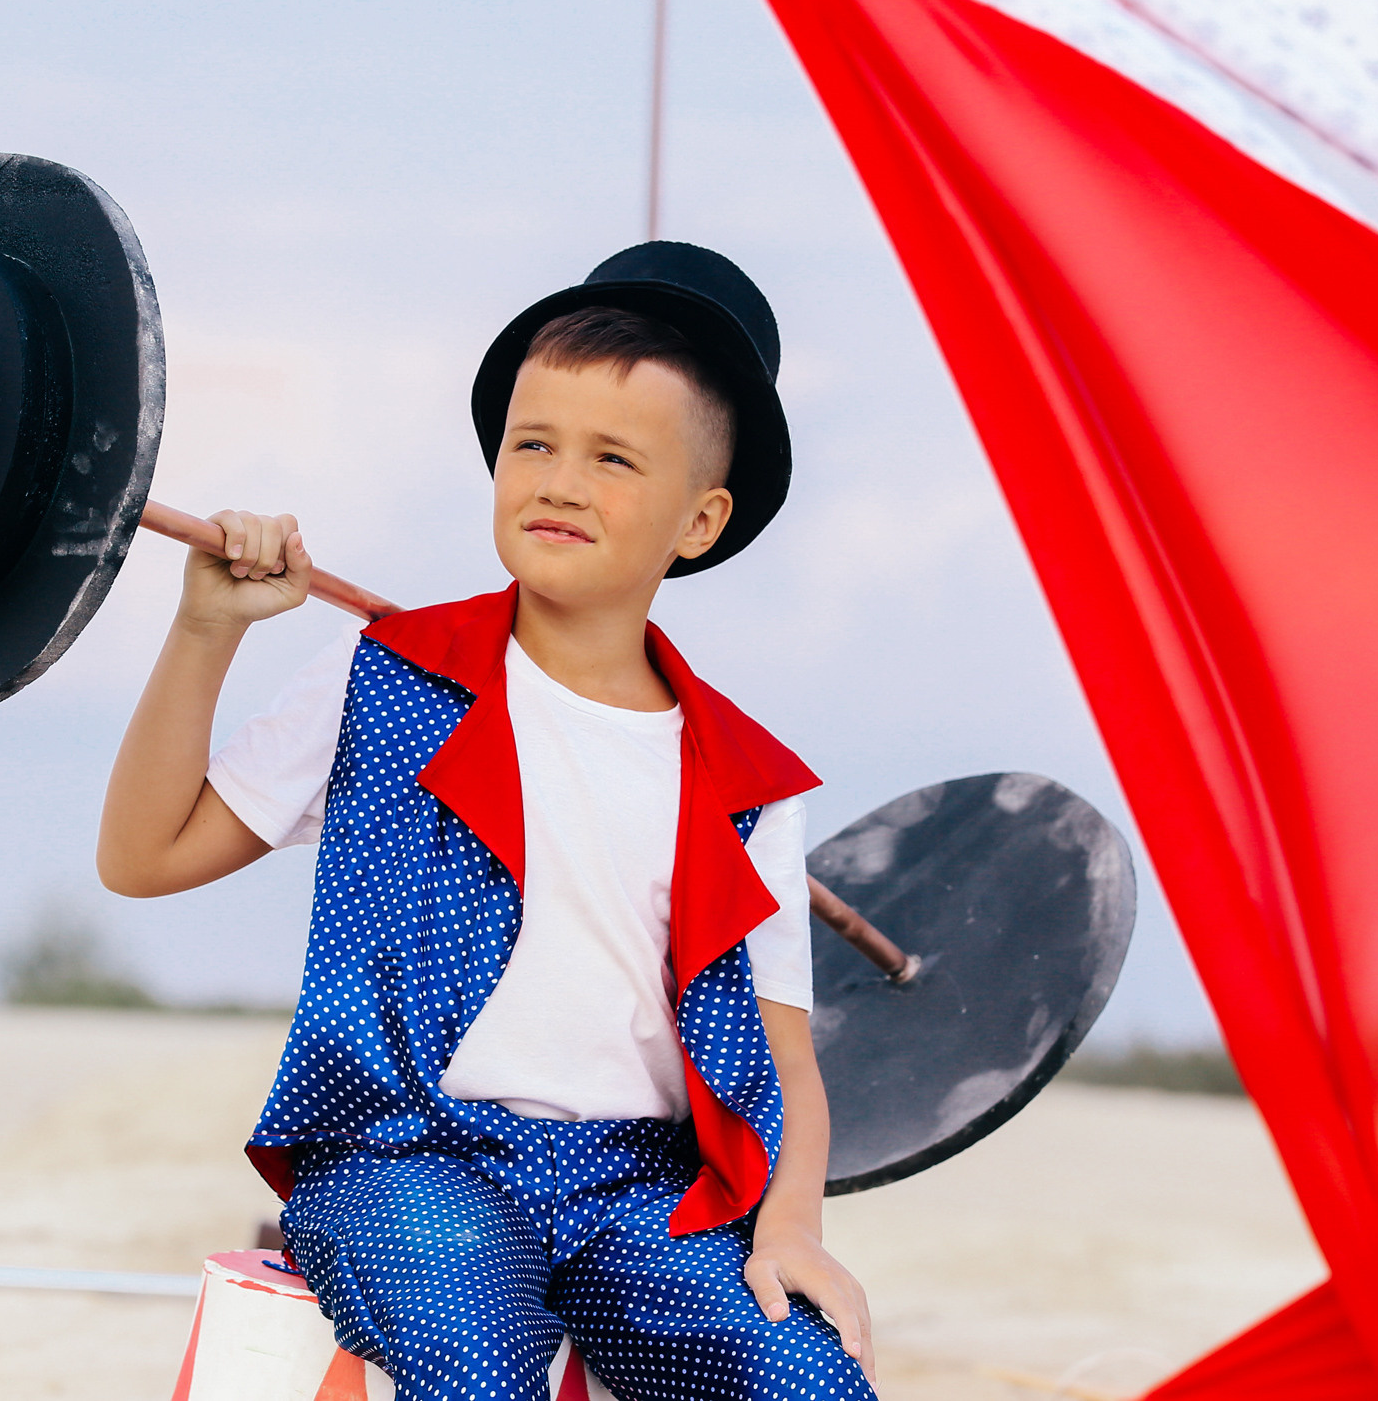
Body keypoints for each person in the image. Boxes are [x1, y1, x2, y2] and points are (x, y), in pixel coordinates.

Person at [96, 243, 874, 1401]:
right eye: (533, 444)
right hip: (405, 1157)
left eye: (613, 458)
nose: (558, 480)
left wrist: (794, 1227)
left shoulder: (750, 777)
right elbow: (141, 856)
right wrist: (209, 628)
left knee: (808, 1381)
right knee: (476, 1361)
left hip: (639, 1191)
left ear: (699, 519)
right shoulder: (389, 676)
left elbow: (786, 1056)